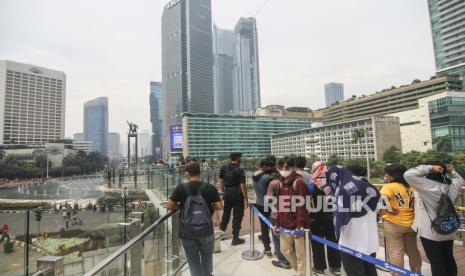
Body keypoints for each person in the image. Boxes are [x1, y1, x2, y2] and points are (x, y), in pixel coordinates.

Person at [404, 161, 464, 276]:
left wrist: (430, 167)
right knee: (448, 257)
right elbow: (460, 179)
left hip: (431, 231)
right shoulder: (453, 184)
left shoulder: (426, 186)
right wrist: (450, 171)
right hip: (449, 227)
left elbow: (409, 174)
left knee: (436, 262)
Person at [167, 162, 223, 276]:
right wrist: (209, 207)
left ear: (186, 174)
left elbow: (169, 206)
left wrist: (180, 207)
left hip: (187, 232)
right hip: (206, 230)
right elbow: (220, 206)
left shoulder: (181, 188)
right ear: (200, 173)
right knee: (207, 257)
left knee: (193, 260)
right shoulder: (210, 187)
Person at [326, 165, 380, 276]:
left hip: (351, 241)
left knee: (354, 271)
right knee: (370, 270)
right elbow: (380, 211)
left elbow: (340, 219)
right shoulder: (370, 187)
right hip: (370, 239)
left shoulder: (342, 190)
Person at [380, 164, 421, 275]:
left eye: (387, 174)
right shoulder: (411, 186)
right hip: (412, 223)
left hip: (394, 223)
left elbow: (381, 202)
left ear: (393, 176)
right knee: (413, 251)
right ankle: (416, 272)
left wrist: (390, 210)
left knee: (395, 251)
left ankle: (398, 274)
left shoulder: (389, 186)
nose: (385, 176)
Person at [274, 157, 310, 276]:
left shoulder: (298, 182)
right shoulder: (280, 182)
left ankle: (301, 273)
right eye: (282, 167)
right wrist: (277, 223)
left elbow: (302, 206)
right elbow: (279, 205)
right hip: (284, 224)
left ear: (293, 168)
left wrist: (300, 225)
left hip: (297, 224)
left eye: (287, 167)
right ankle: (301, 271)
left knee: (300, 253)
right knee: (285, 251)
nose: (285, 169)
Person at [307, 161, 341, 275]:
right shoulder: (334, 183)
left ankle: (319, 267)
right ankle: (336, 267)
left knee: (317, 244)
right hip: (332, 218)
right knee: (333, 242)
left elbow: (308, 202)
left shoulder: (312, 184)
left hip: (316, 219)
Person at [219, 152, 249, 245]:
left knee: (226, 214)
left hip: (227, 193)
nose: (241, 159)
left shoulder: (224, 168)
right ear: (237, 158)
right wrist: (246, 199)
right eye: (240, 157)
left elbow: (221, 180)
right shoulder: (239, 170)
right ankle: (235, 238)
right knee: (237, 216)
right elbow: (243, 186)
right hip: (237, 194)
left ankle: (221, 234)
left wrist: (223, 191)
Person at [267, 158, 291, 269]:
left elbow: (269, 200)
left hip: (276, 214)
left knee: (277, 238)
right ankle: (289, 258)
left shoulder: (273, 183)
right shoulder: (294, 180)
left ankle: (282, 261)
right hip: (290, 214)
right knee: (288, 238)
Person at [252, 157, 274, 256]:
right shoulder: (267, 178)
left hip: (259, 203)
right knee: (275, 226)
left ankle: (267, 249)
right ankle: (278, 249)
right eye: (269, 166)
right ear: (264, 166)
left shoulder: (255, 174)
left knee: (264, 228)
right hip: (270, 204)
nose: (271, 168)